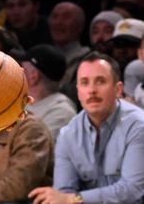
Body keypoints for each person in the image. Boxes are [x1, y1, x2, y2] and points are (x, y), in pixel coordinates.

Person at [29, 52, 144, 204]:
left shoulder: (138, 126)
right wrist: (65, 198)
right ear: (78, 92)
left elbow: (132, 190)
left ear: (118, 89)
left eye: (100, 81)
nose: (92, 90)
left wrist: (76, 198)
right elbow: (63, 193)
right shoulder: (68, 135)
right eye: (85, 83)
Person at [12, 44, 77, 141]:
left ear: (33, 76)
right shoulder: (22, 103)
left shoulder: (61, 113)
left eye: (22, 68)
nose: (18, 72)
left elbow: (33, 147)